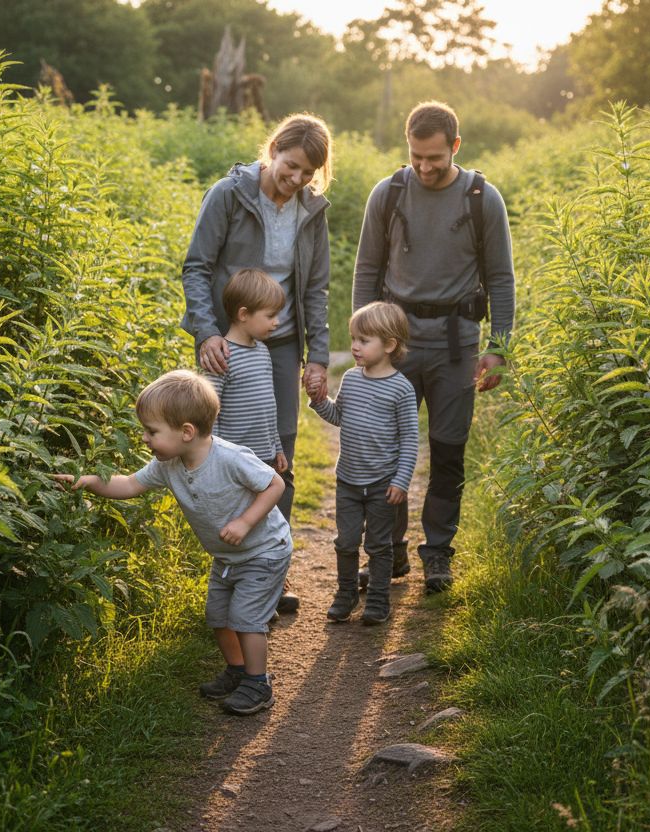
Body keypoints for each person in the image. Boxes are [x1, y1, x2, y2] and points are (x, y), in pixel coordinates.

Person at [350, 101, 515, 594]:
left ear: (455, 147)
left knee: (447, 452)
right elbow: (365, 271)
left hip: (456, 346)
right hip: (394, 346)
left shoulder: (483, 198)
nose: (425, 167)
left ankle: (438, 553)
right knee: (383, 453)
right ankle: (389, 553)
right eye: (417, 157)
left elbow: (501, 279)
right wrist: (363, 341)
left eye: (435, 158)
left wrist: (498, 346)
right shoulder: (389, 193)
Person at [55, 370, 290, 715]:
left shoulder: (229, 458)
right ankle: (237, 671)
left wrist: (244, 521)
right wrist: (89, 481)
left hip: (264, 550)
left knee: (245, 617)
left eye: (151, 431)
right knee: (218, 616)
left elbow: (275, 485)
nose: (145, 439)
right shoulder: (168, 465)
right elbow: (129, 485)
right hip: (227, 557)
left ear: (186, 432)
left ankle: (258, 683)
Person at [182, 113, 334, 614]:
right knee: (223, 452)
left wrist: (316, 357)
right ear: (273, 151)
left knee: (275, 456)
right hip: (228, 338)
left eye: (306, 175)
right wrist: (207, 333)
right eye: (289, 168)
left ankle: (270, 576)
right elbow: (197, 266)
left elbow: (314, 287)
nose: (294, 182)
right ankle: (228, 569)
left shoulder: (312, 211)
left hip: (283, 340)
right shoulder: (229, 194)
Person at [308, 302, 418, 625]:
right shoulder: (352, 380)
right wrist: (318, 402)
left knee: (379, 544)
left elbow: (410, 440)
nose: (354, 346)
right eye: (354, 338)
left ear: (389, 345)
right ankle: (346, 592)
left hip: (383, 484)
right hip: (349, 482)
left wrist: (401, 481)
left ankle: (379, 599)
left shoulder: (401, 389)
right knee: (345, 540)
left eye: (363, 340)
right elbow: (338, 416)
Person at [206, 268, 289, 476]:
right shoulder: (221, 356)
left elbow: (269, 407)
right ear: (243, 314)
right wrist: (213, 456)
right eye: (270, 316)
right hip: (233, 460)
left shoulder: (262, 351)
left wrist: (277, 447)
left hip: (264, 458)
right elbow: (209, 411)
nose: (277, 322)